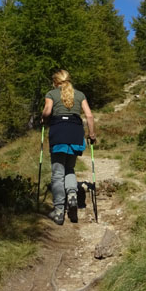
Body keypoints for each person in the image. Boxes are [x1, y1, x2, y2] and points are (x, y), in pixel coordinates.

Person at [41, 69, 96, 225]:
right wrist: (92, 134)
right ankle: (72, 195)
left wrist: (43, 119)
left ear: (55, 82)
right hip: (75, 133)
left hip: (59, 132)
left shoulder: (51, 94)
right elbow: (89, 116)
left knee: (58, 174)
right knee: (70, 169)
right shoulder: (80, 94)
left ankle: (59, 211)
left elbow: (47, 111)